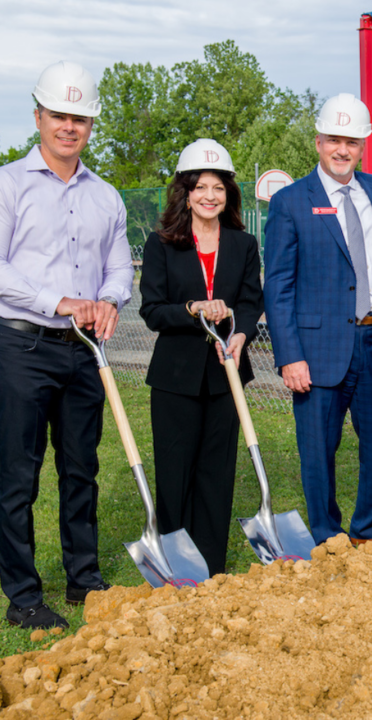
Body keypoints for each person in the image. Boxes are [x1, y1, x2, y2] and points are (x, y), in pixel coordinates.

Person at [0, 62, 133, 629]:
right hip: (21, 347)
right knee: (17, 476)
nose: (68, 127)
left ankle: (84, 579)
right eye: (59, 115)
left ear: (91, 125)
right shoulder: (7, 185)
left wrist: (106, 300)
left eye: (79, 118)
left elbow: (120, 268)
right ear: (38, 117)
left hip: (85, 351)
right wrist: (60, 301)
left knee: (81, 467)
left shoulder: (106, 196)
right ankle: (24, 594)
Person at [263, 94, 372, 548]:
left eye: (352, 141)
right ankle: (328, 535)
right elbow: (278, 286)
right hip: (317, 348)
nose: (342, 150)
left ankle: (370, 527)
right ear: (318, 142)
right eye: (334, 140)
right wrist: (289, 356)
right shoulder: (290, 202)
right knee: (318, 450)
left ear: (363, 145)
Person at [139, 139, 264, 575]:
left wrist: (241, 331)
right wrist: (194, 309)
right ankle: (176, 565)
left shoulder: (243, 244)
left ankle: (210, 566)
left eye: (219, 188)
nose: (210, 196)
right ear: (186, 193)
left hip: (225, 373)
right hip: (175, 377)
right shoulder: (162, 245)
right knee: (176, 472)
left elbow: (251, 300)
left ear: (228, 194)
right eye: (201, 187)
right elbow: (152, 311)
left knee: (217, 472)